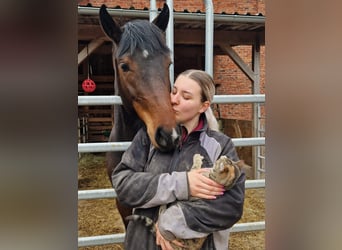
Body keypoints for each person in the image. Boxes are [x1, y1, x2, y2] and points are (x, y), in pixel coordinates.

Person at [112, 69, 246, 249]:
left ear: (203, 106)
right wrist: (183, 184)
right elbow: (123, 185)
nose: (173, 100)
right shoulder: (148, 136)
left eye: (186, 97)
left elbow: (231, 205)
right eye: (174, 91)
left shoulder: (220, 145)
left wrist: (173, 223)